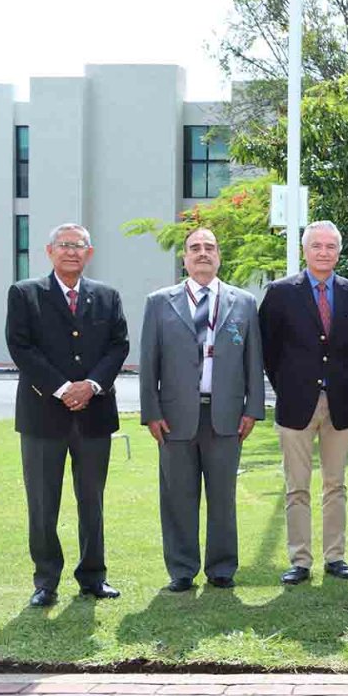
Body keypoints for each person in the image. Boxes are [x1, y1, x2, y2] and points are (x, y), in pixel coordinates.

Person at [6, 223, 130, 607]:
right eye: (64, 245)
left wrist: (90, 386)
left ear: (89, 253)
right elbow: (21, 347)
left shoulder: (107, 297)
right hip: (43, 415)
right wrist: (62, 388)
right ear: (49, 251)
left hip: (94, 415)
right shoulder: (26, 294)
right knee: (43, 502)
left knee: (91, 499)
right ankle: (46, 581)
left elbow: (118, 346)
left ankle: (93, 577)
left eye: (78, 246)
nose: (71, 252)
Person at [140, 228, 264, 592]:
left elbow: (253, 360)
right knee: (178, 496)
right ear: (184, 257)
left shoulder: (243, 302)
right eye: (195, 248)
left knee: (223, 497)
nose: (203, 253)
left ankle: (222, 567)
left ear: (220, 256)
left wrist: (252, 409)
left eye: (210, 247)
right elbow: (149, 362)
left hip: (225, 415)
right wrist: (151, 411)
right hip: (175, 416)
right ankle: (181, 569)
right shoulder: (160, 302)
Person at [258, 220, 348, 586]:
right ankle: (300, 560)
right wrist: (289, 385)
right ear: (305, 250)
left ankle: (335, 557)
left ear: (339, 251)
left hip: (340, 403)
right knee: (297, 486)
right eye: (317, 246)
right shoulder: (280, 292)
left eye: (330, 246)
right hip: (295, 405)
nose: (324, 252)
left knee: (335, 485)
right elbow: (268, 352)